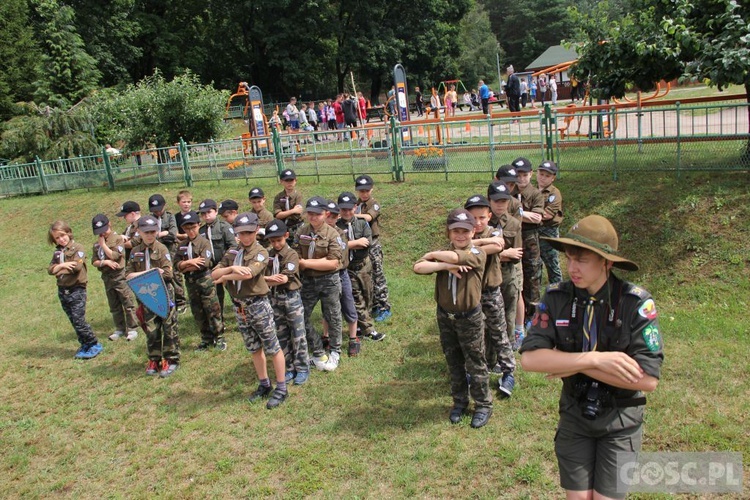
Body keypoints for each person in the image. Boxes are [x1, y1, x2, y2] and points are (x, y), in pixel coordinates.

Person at [520, 215, 663, 499]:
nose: (571, 268)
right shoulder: (557, 298)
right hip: (575, 415)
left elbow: (646, 379)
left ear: (606, 262)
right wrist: (594, 360)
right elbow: (530, 360)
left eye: (581, 260)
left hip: (621, 421)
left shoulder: (636, 303)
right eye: (569, 258)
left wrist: (565, 361)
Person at [413, 208, 493, 429]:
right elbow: (418, 267)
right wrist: (444, 266)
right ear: (448, 233)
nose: (460, 236)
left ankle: (483, 405)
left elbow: (457, 256)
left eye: (465, 231)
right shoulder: (442, 255)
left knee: (475, 361)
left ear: (473, 233)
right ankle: (460, 401)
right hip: (446, 317)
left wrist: (435, 255)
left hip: (469, 318)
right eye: (455, 231)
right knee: (453, 360)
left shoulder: (478, 253)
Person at [212, 213, 289, 409]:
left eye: (248, 233)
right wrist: (231, 271)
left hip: (257, 304)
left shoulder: (261, 252)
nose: (245, 237)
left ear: (256, 231)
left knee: (272, 346)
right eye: (241, 233)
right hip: (239, 306)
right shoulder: (232, 252)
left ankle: (281, 387)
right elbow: (214, 273)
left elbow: (249, 273)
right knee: (254, 347)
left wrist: (228, 272)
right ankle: (264, 383)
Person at [463, 195, 516, 397]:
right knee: (473, 336)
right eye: (473, 218)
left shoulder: (494, 231)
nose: (477, 223)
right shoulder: (463, 234)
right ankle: (474, 372)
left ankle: (508, 371)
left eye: (482, 218)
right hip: (470, 293)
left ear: (489, 216)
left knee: (499, 332)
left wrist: (470, 247)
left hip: (490, 291)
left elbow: (497, 244)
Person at [294, 196, 345, 371]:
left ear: (326, 213)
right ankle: (317, 348)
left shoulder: (333, 234)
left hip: (329, 280)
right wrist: (311, 262)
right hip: (307, 281)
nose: (313, 217)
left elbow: (332, 263)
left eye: (317, 214)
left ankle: (335, 351)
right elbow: (295, 256)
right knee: (300, 315)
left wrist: (306, 263)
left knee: (333, 316)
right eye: (310, 213)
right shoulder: (301, 232)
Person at [126, 215, 179, 377]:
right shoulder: (135, 252)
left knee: (168, 326)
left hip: (163, 292)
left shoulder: (162, 249)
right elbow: (128, 275)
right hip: (145, 294)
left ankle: (171, 359)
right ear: (139, 232)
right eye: (146, 232)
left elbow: (168, 273)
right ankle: (154, 359)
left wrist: (142, 275)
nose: (149, 235)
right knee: (151, 328)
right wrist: (151, 272)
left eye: (152, 232)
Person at [48, 220, 103, 359]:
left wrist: (58, 269)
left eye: (63, 235)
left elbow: (76, 267)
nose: (61, 239)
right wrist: (62, 266)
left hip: (76, 289)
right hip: (63, 289)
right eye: (57, 238)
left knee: (79, 319)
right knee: (73, 319)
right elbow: (50, 269)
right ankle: (84, 343)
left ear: (69, 233)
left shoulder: (78, 248)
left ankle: (93, 343)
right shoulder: (58, 253)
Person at [264, 219, 310, 386]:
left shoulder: (291, 255)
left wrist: (262, 279)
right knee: (281, 334)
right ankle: (289, 366)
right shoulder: (268, 255)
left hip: (291, 298)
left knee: (298, 334)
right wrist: (268, 279)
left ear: (286, 236)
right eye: (272, 241)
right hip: (274, 298)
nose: (276, 244)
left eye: (279, 240)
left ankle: (303, 367)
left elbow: (283, 278)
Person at [337, 192, 385, 344]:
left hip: (364, 266)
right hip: (348, 268)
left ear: (355, 208)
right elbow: (338, 246)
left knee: (368, 295)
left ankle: (360, 324)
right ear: (339, 209)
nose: (347, 212)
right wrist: (355, 243)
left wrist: (350, 244)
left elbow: (368, 241)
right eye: (343, 209)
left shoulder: (361, 223)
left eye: (350, 209)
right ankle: (369, 330)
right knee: (356, 298)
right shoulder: (336, 227)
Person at [175, 211, 225, 351]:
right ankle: (206, 338)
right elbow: (176, 265)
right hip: (190, 282)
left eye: (193, 227)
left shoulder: (204, 243)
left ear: (198, 225)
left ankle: (219, 336)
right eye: (187, 229)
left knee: (212, 308)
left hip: (204, 280)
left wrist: (184, 265)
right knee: (198, 311)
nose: (190, 231)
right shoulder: (182, 245)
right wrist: (188, 263)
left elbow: (204, 262)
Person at [487, 180, 525, 359]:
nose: (500, 205)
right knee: (489, 314)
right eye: (496, 201)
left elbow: (516, 255)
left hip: (508, 273)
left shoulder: (514, 224)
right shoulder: (483, 223)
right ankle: (490, 352)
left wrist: (495, 253)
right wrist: (503, 252)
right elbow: (476, 254)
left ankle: (507, 349)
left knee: (509, 312)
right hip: (488, 274)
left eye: (504, 201)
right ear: (489, 201)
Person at [90, 214, 138, 342]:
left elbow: (115, 255)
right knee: (114, 304)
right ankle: (119, 328)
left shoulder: (117, 239)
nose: (102, 234)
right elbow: (94, 261)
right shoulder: (96, 244)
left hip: (119, 276)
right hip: (107, 277)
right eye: (99, 232)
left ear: (109, 224)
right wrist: (103, 263)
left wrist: (103, 245)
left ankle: (132, 328)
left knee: (127, 302)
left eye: (104, 230)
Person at [323, 200, 362, 356]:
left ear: (337, 217)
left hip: (340, 273)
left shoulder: (340, 233)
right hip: (325, 275)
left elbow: (340, 254)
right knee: (328, 307)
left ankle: (353, 338)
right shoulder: (319, 233)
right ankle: (325, 336)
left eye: (333, 216)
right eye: (328, 216)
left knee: (348, 303)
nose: (330, 219)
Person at [511, 157, 544, 328]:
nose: (521, 178)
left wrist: (515, 212)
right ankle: (517, 314)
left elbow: (537, 217)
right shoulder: (509, 192)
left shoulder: (535, 194)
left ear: (531, 174)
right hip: (512, 239)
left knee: (532, 275)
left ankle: (533, 315)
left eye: (524, 175)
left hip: (530, 239)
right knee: (515, 275)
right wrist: (525, 215)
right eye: (518, 175)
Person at [354, 175, 392, 322]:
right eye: (361, 191)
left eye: (367, 190)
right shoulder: (356, 204)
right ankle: (374, 304)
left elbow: (369, 218)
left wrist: (352, 215)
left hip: (373, 244)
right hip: (361, 244)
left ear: (372, 189)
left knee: (378, 274)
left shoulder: (374, 204)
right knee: (366, 276)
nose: (364, 194)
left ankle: (384, 306)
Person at [197, 199, 237, 318]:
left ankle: (242, 316)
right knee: (215, 296)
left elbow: (233, 246)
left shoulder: (224, 227)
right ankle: (219, 320)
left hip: (225, 266)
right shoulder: (201, 231)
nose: (206, 216)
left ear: (216, 211)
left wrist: (224, 262)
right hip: (211, 268)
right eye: (203, 214)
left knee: (234, 293)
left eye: (209, 212)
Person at [148, 193, 185, 313]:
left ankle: (181, 301)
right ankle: (166, 299)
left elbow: (173, 233)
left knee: (174, 274)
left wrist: (161, 234)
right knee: (160, 274)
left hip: (170, 249)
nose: (157, 212)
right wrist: (164, 234)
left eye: (159, 209)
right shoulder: (150, 219)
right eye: (155, 211)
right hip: (156, 251)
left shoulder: (169, 217)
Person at [536, 161, 564, 284]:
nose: (543, 178)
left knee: (552, 265)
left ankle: (559, 294)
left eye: (547, 176)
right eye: (541, 174)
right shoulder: (530, 190)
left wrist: (528, 214)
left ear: (553, 178)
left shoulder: (554, 193)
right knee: (535, 266)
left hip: (549, 233)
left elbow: (547, 215)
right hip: (533, 232)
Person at [273, 169, 304, 241]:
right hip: (283, 226)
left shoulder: (298, 195)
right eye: (287, 181)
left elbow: (298, 213)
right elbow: (278, 215)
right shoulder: (278, 197)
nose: (289, 183)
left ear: (296, 181)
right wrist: (293, 211)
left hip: (297, 226)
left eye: (291, 180)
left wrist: (284, 214)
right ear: (281, 181)